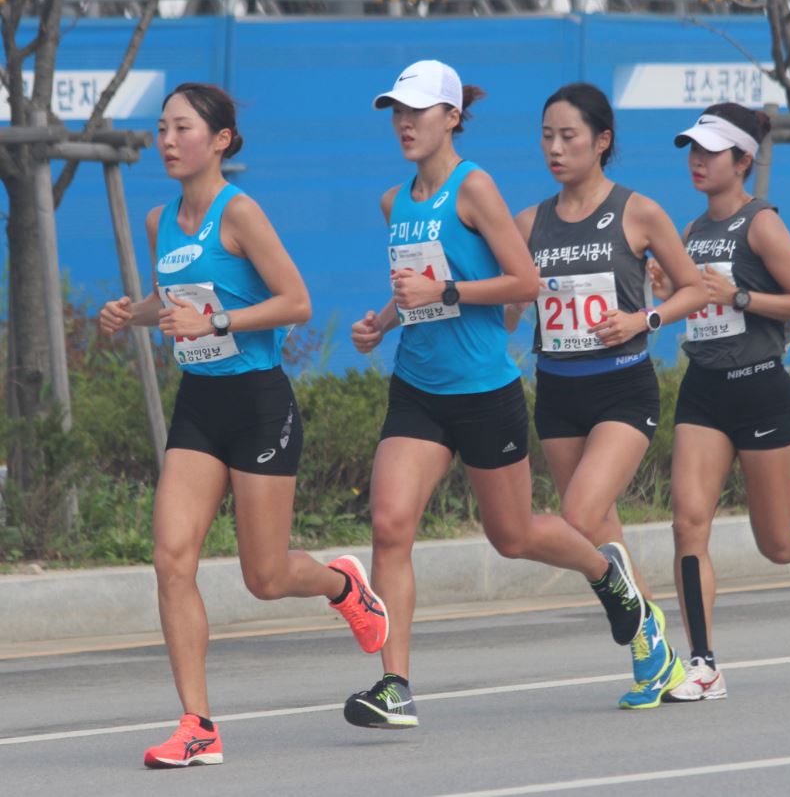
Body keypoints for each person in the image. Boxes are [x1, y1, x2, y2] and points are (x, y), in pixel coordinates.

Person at [346, 60, 646, 729]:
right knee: (391, 524)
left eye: (417, 111)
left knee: (512, 536)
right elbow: (416, 286)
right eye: (396, 110)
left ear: (451, 117)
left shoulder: (473, 188)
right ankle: (394, 684)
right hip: (418, 388)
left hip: (485, 390)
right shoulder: (395, 202)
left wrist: (447, 293)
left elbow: (526, 283)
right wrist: (383, 320)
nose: (403, 122)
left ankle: (605, 572)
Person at [99, 82, 389, 767]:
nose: (168, 141)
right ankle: (197, 724)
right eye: (163, 129)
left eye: (182, 128)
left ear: (221, 139)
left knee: (264, 575)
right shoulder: (158, 221)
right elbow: (174, 300)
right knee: (171, 560)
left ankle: (343, 584)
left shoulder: (241, 213)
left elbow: (296, 301)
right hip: (199, 404)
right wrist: (131, 314)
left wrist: (219, 321)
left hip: (259, 403)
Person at [648, 102, 790, 703]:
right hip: (704, 389)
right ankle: (703, 665)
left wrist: (740, 295)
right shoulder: (690, 232)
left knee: (777, 542)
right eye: (691, 149)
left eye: (710, 151)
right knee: (687, 523)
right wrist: (669, 291)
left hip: (762, 387)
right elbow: (692, 303)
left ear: (742, 160)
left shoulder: (761, 224)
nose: (696, 160)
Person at [504, 82, 706, 709]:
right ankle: (655, 655)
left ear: (602, 140)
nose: (555, 149)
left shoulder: (637, 212)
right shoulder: (528, 222)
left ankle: (649, 633)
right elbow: (510, 312)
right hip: (558, 393)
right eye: (546, 136)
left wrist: (642, 319)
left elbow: (694, 289)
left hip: (623, 388)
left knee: (578, 519)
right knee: (603, 536)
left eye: (568, 136)